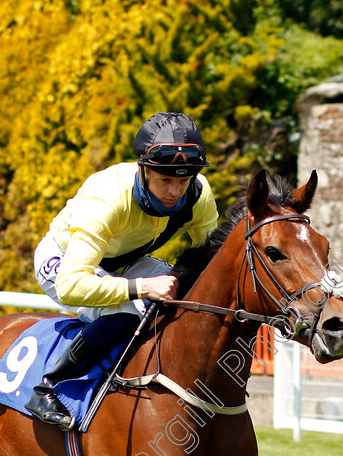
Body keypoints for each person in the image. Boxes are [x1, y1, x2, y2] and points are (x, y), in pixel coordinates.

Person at [25, 111, 219, 429]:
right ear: (143, 169)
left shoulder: (198, 193)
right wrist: (141, 287)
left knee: (180, 294)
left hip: (125, 261)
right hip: (64, 262)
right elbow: (71, 285)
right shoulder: (107, 198)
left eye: (183, 180)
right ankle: (49, 386)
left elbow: (208, 262)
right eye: (165, 180)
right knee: (137, 306)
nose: (175, 191)